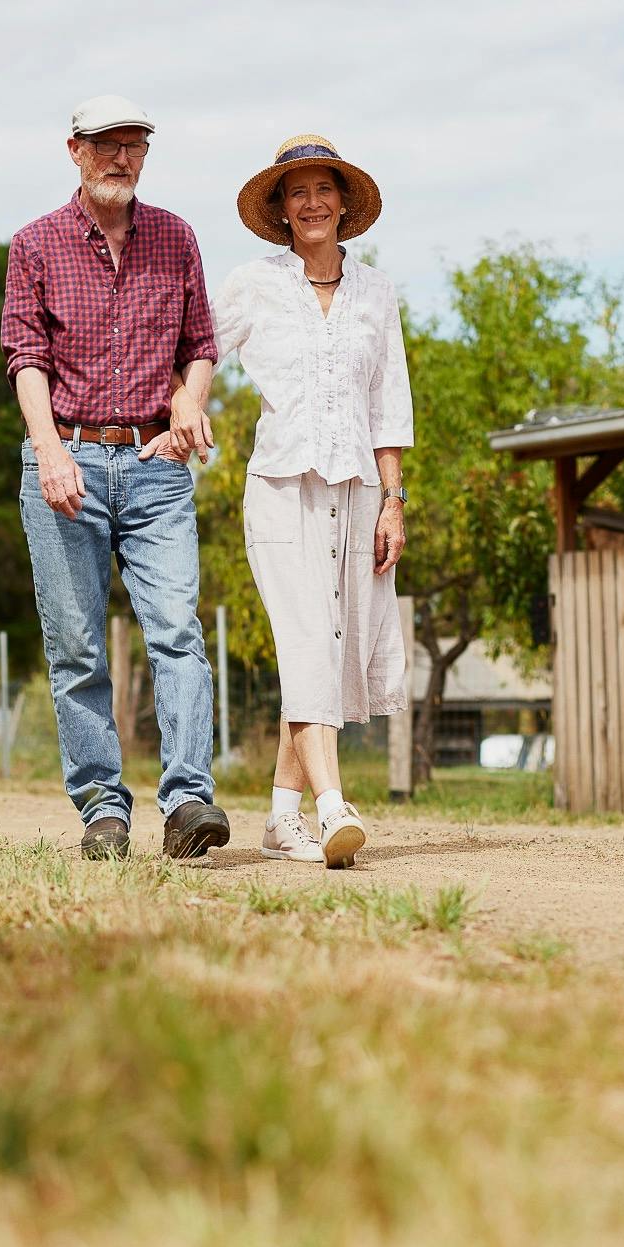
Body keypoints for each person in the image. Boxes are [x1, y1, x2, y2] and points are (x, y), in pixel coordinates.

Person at [1, 96, 229, 861]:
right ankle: (102, 806)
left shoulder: (176, 236)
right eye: (105, 144)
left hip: (155, 464)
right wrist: (49, 449)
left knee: (177, 632)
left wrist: (190, 402)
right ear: (74, 150)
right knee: (76, 646)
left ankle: (188, 801)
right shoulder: (34, 244)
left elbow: (200, 343)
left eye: (133, 145)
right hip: (65, 457)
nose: (120, 158)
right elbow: (26, 356)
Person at [213, 136, 412, 868]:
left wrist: (393, 501)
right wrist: (182, 408)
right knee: (305, 644)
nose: (312, 202)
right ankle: (332, 807)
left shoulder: (377, 292)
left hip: (356, 491)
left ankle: (279, 819)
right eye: (296, 191)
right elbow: (195, 352)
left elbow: (388, 404)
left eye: (323, 188)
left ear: (343, 201)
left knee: (329, 648)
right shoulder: (252, 284)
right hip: (279, 487)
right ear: (280, 208)